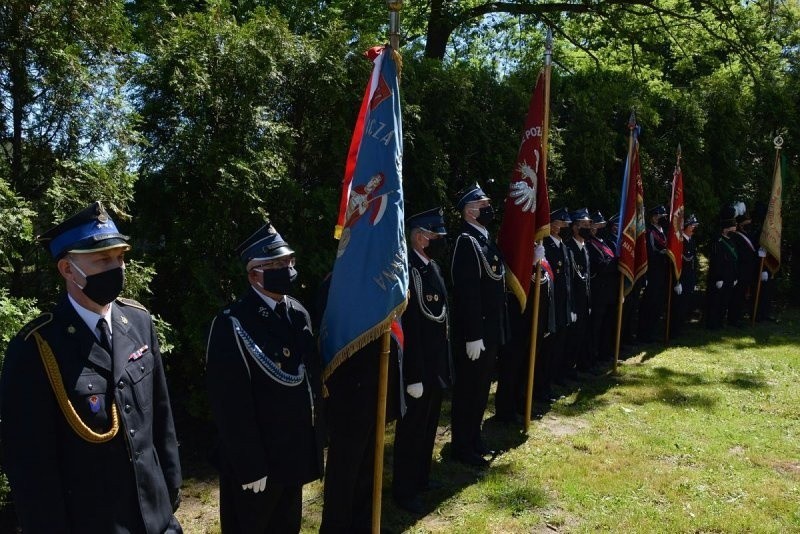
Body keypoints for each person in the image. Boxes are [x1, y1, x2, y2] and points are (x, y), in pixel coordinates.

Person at [0, 201, 183, 533]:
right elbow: (31, 469)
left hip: (157, 518)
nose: (117, 268)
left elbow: (161, 416)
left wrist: (170, 493)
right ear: (68, 270)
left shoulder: (138, 321)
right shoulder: (36, 349)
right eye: (102, 260)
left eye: (120, 257)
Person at [205, 223, 323, 533]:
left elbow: (308, 380)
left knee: (287, 526)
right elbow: (229, 404)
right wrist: (249, 463)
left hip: (293, 452)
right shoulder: (232, 322)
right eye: (276, 265)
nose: (286, 269)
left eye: (288, 262)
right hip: (258, 461)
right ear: (254, 274)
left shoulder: (298, 313)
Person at [392, 208, 453, 514]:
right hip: (418, 367)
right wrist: (412, 374)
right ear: (419, 237)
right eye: (435, 235)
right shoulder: (410, 272)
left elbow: (441, 318)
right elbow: (410, 328)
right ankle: (404, 489)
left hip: (436, 364)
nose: (441, 239)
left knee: (429, 425)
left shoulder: (433, 268)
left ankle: (421, 477)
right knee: (412, 430)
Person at [449, 183, 507, 467]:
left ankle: (474, 437)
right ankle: (462, 445)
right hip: (475, 333)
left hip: (489, 330)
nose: (488, 208)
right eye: (483, 204)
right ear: (469, 212)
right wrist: (473, 334)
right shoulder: (466, 241)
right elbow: (467, 292)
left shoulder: (485, 239)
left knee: (482, 388)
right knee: (468, 390)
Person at [496, 240, 552, 419]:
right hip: (516, 320)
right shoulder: (514, 248)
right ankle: (506, 409)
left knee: (528, 364)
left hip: (532, 322)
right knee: (512, 364)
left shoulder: (539, 256)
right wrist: (529, 262)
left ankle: (522, 403)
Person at [542, 208, 574, 385]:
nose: (564, 227)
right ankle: (544, 382)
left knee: (560, 344)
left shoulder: (564, 246)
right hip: (552, 305)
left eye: (566, 224)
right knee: (549, 347)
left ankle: (555, 378)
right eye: (562, 223)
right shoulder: (546, 246)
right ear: (552, 226)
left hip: (564, 304)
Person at [587, 210, 618, 364]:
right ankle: (592, 358)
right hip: (598, 291)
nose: (596, 228)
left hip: (609, 291)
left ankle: (604, 354)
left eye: (598, 225)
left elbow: (609, 260)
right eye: (593, 225)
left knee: (607, 325)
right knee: (595, 328)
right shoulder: (588, 244)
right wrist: (616, 263)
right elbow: (600, 265)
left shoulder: (602, 241)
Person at [565, 208, 592, 372]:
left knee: (583, 335)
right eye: (584, 224)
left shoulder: (585, 246)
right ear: (574, 227)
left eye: (589, 224)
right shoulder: (568, 248)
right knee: (571, 338)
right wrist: (572, 306)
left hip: (585, 300)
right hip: (574, 301)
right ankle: (567, 369)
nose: (587, 228)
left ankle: (581, 365)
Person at [637, 205, 669, 342]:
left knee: (658, 304)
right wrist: (663, 254)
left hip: (663, 271)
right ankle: (644, 334)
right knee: (650, 303)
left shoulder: (664, 231)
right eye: (662, 216)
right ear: (654, 217)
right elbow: (649, 253)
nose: (664, 218)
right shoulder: (650, 232)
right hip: (653, 272)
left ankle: (653, 332)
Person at [706, 205, 739, 329]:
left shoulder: (732, 241)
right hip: (720, 277)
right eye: (732, 227)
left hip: (730, 276)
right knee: (716, 302)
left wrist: (735, 276)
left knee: (725, 301)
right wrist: (718, 277)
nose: (734, 229)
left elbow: (735, 260)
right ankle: (713, 324)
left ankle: (720, 322)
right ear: (725, 229)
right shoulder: (718, 242)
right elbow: (717, 261)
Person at [728, 203, 758, 326]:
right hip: (740, 270)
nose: (749, 224)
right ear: (740, 225)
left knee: (742, 295)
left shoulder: (748, 235)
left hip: (748, 270)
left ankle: (739, 316)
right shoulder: (735, 236)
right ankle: (733, 319)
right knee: (736, 295)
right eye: (747, 222)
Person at [669, 214, 700, 337]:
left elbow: (693, 261)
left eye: (695, 226)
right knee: (678, 306)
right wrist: (677, 282)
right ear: (685, 227)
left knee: (685, 305)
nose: (694, 228)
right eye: (692, 226)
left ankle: (680, 329)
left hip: (689, 278)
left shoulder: (691, 241)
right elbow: (676, 263)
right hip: (680, 279)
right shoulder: (679, 242)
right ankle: (673, 331)